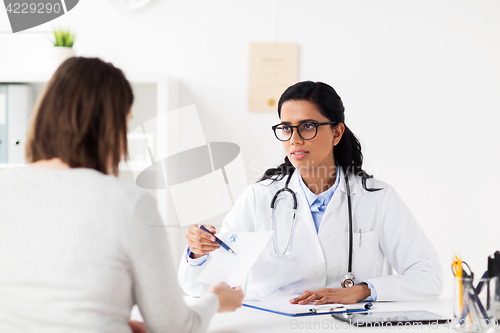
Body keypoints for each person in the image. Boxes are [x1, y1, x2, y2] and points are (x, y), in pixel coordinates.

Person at [0, 57, 243, 333]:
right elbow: (174, 327)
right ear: (109, 127)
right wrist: (215, 300)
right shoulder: (128, 203)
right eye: (125, 125)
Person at [179, 81, 443, 304]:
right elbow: (199, 288)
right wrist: (198, 253)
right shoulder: (259, 198)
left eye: (307, 126)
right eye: (286, 127)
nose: (294, 138)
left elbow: (429, 277)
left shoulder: (377, 197)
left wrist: (363, 290)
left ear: (337, 132)